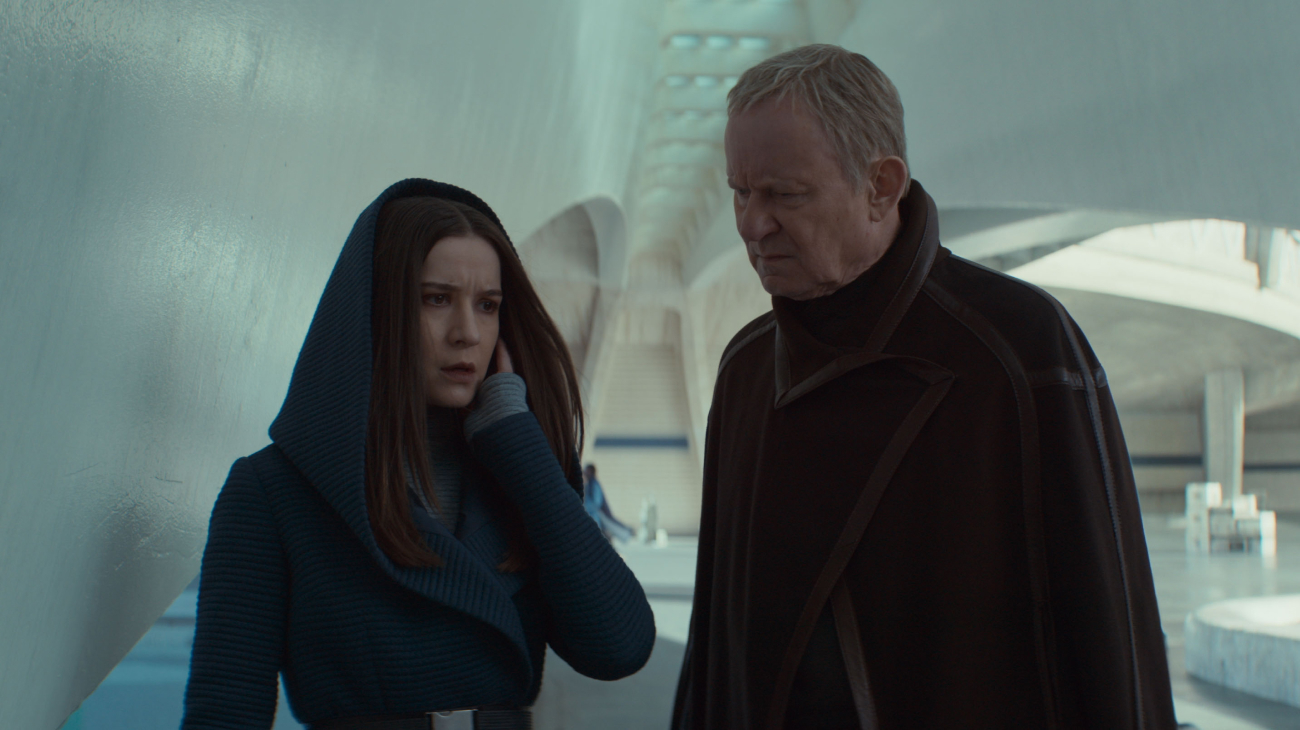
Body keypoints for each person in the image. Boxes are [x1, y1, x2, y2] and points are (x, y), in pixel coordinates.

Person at [671, 45, 1177, 729]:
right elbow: (714, 646)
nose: (752, 225)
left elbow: (1111, 629)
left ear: (881, 186)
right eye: (740, 192)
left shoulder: (1022, 352)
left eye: (785, 195)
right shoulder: (746, 371)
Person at [182, 179, 655, 729]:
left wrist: (520, 443)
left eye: (487, 305)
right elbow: (225, 712)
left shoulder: (516, 477)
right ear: (377, 310)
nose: (467, 333)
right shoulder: (275, 492)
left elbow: (619, 648)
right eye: (436, 299)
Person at [582, 464, 633, 543]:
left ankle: (628, 532)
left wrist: (586, 506)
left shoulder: (594, 484)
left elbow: (596, 503)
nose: (585, 473)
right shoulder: (589, 484)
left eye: (587, 471)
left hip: (598, 515)